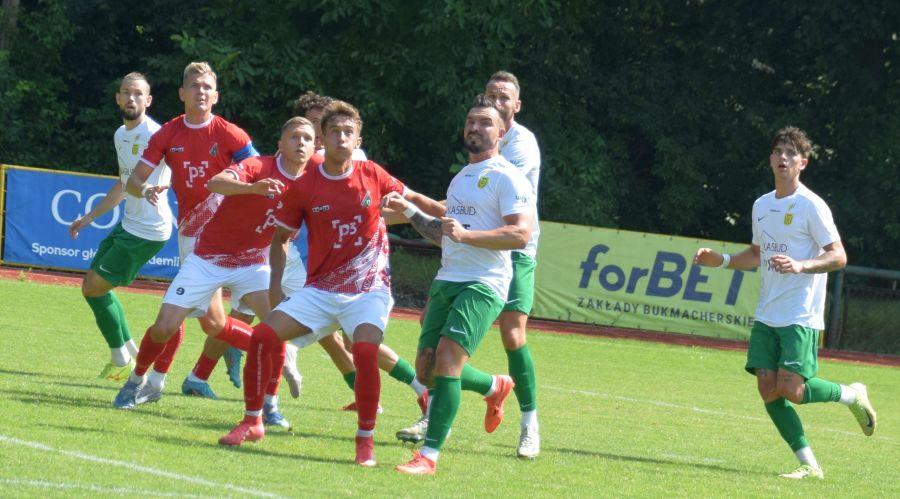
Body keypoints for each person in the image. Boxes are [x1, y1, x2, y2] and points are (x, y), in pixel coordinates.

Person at [218, 101, 443, 469]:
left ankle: (364, 441)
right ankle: (252, 421)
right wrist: (275, 288)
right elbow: (281, 238)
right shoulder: (305, 185)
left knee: (365, 351)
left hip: (368, 289)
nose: (341, 137)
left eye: (348, 132)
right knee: (262, 337)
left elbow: (414, 199)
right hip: (321, 290)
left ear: (358, 140)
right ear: (323, 138)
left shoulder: (372, 173)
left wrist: (449, 213)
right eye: (335, 131)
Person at [693, 126, 876, 480]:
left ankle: (852, 395)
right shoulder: (761, 205)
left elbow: (838, 256)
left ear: (802, 163)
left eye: (791, 153)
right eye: (778, 151)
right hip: (767, 312)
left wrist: (801, 265)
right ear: (770, 159)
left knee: (792, 390)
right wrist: (723, 261)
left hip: (799, 313)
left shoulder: (811, 205)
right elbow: (756, 254)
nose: (783, 158)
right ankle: (810, 464)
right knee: (767, 387)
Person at [396, 71, 543, 459]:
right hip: (454, 271)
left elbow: (514, 231)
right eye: (471, 121)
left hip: (497, 267)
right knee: (427, 364)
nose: (476, 127)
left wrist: (459, 232)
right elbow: (449, 222)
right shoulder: (462, 175)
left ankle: (523, 424)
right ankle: (493, 387)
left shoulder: (514, 160)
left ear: (508, 119)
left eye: (503, 99)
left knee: (503, 337)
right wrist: (406, 209)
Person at [115, 61, 260, 407]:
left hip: (235, 237)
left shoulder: (232, 135)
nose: (201, 92)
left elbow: (259, 171)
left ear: (216, 96)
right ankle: (148, 381)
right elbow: (133, 182)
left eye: (207, 87)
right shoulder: (167, 134)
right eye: (194, 86)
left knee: (203, 321)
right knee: (205, 322)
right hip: (194, 237)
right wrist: (145, 189)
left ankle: (147, 382)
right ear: (182, 93)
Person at [69, 72, 173, 382]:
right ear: (117, 98)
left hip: (148, 230)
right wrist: (89, 217)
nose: (131, 98)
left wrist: (157, 186)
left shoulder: (156, 134)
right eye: (126, 92)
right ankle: (129, 350)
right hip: (130, 224)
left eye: (138, 93)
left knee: (93, 287)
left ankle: (120, 359)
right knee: (95, 286)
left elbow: (169, 171)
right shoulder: (120, 134)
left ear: (148, 100)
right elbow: (125, 183)